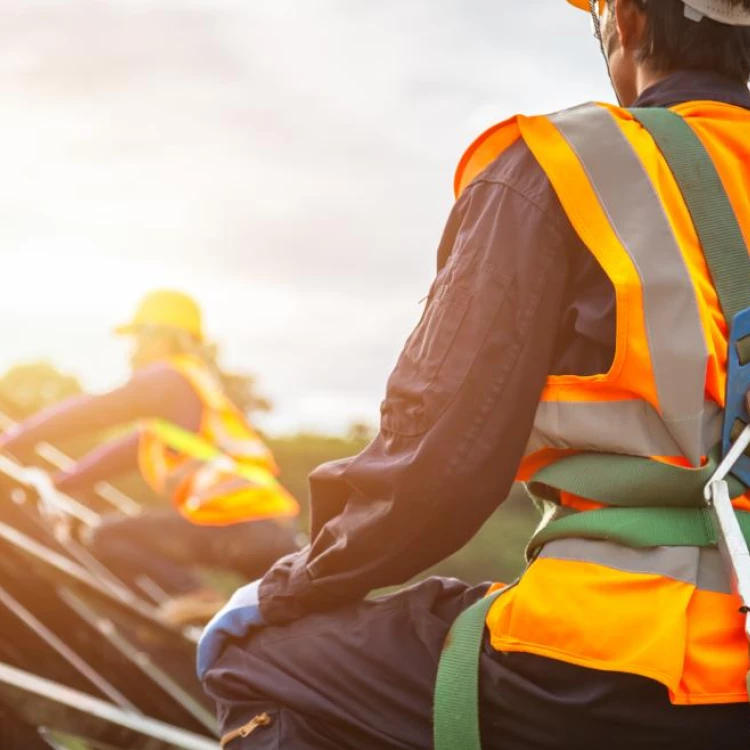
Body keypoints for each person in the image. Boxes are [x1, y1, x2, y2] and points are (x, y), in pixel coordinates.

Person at [198, 2, 750, 748]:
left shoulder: (571, 163)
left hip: (620, 654)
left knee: (259, 661)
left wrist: (291, 585)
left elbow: (435, 469)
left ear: (627, 20)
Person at [0, 290, 300, 622]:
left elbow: (92, 412)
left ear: (161, 336)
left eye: (138, 337)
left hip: (235, 525)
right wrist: (58, 484)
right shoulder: (184, 405)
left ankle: (193, 594)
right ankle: (201, 605)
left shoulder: (167, 378)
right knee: (278, 622)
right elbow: (113, 457)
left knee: (108, 535)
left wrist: (11, 440)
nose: (134, 348)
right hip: (268, 532)